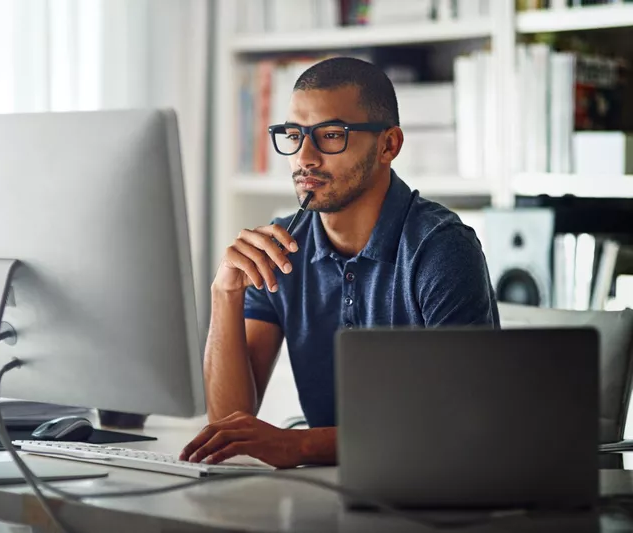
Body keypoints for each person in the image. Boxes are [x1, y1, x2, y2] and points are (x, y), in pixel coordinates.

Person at [180, 57, 499, 469]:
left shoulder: (441, 249)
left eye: (331, 135)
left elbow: (461, 423)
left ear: (388, 145)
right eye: (293, 135)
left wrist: (299, 446)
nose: (304, 157)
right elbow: (228, 425)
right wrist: (224, 292)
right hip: (326, 493)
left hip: (430, 492)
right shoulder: (280, 247)